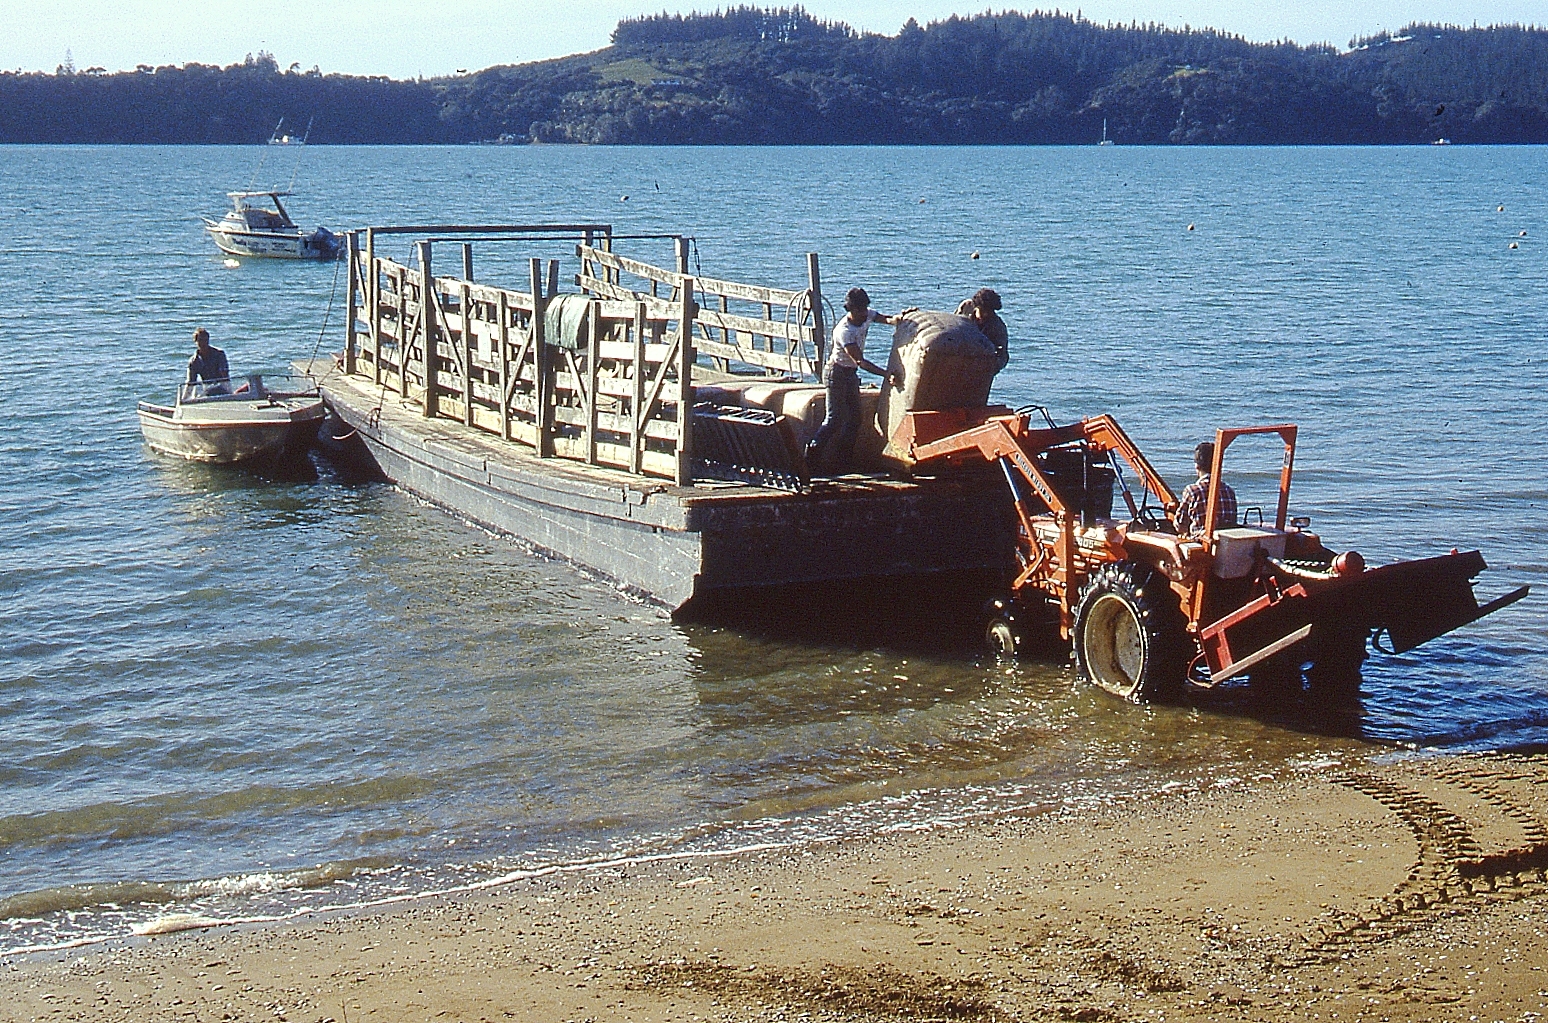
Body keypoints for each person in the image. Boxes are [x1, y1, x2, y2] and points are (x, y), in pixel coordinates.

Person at [804, 287, 902, 475]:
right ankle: (811, 458)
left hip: (850, 374)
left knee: (855, 419)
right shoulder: (844, 331)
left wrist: (899, 319)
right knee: (833, 420)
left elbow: (886, 319)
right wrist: (886, 373)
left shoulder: (867, 316)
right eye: (860, 310)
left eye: (866, 309)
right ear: (851, 310)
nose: (864, 313)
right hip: (837, 373)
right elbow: (860, 361)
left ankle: (843, 460)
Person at [1174, 441, 1238, 536]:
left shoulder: (1192, 491)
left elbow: (1180, 526)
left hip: (1203, 543)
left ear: (1197, 466)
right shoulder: (1229, 491)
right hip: (1225, 542)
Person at [955, 287, 1009, 371]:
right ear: (975, 307)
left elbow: (1003, 356)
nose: (986, 315)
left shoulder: (998, 327)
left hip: (981, 365)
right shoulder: (965, 309)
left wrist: (989, 368)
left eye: (989, 312)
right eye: (983, 311)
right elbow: (952, 327)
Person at [186, 328, 230, 394]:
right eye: (200, 340)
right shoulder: (194, 361)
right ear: (196, 341)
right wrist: (184, 399)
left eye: (205, 340)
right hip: (207, 389)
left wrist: (228, 392)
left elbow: (224, 375)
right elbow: (191, 382)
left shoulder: (219, 354)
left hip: (222, 387)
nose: (203, 343)